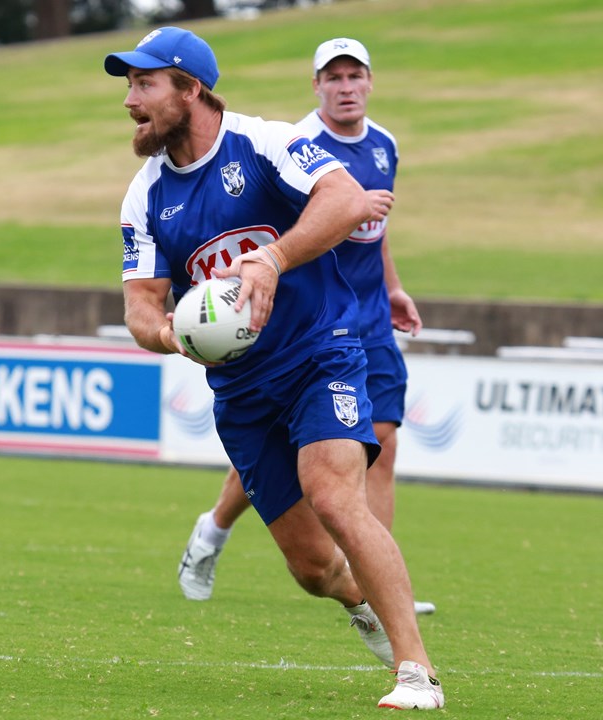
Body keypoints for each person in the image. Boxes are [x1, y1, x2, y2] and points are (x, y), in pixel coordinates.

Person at [108, 27, 444, 710]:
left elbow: (347, 201)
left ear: (190, 89)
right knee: (313, 567)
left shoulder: (262, 143)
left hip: (321, 352)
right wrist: (175, 334)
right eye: (129, 87)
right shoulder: (144, 198)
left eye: (145, 85)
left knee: (334, 496)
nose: (130, 101)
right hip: (239, 390)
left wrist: (272, 258)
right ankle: (362, 603)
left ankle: (417, 673)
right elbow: (140, 309)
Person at [178, 37, 436, 620]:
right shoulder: (294, 145)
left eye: (355, 75)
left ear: (370, 82)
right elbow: (304, 226)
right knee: (295, 452)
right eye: (333, 77)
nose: (346, 87)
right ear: (315, 85)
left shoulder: (385, 144)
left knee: (381, 444)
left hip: (369, 317)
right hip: (313, 321)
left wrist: (393, 286)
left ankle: (375, 582)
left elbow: (378, 228)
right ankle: (215, 527)